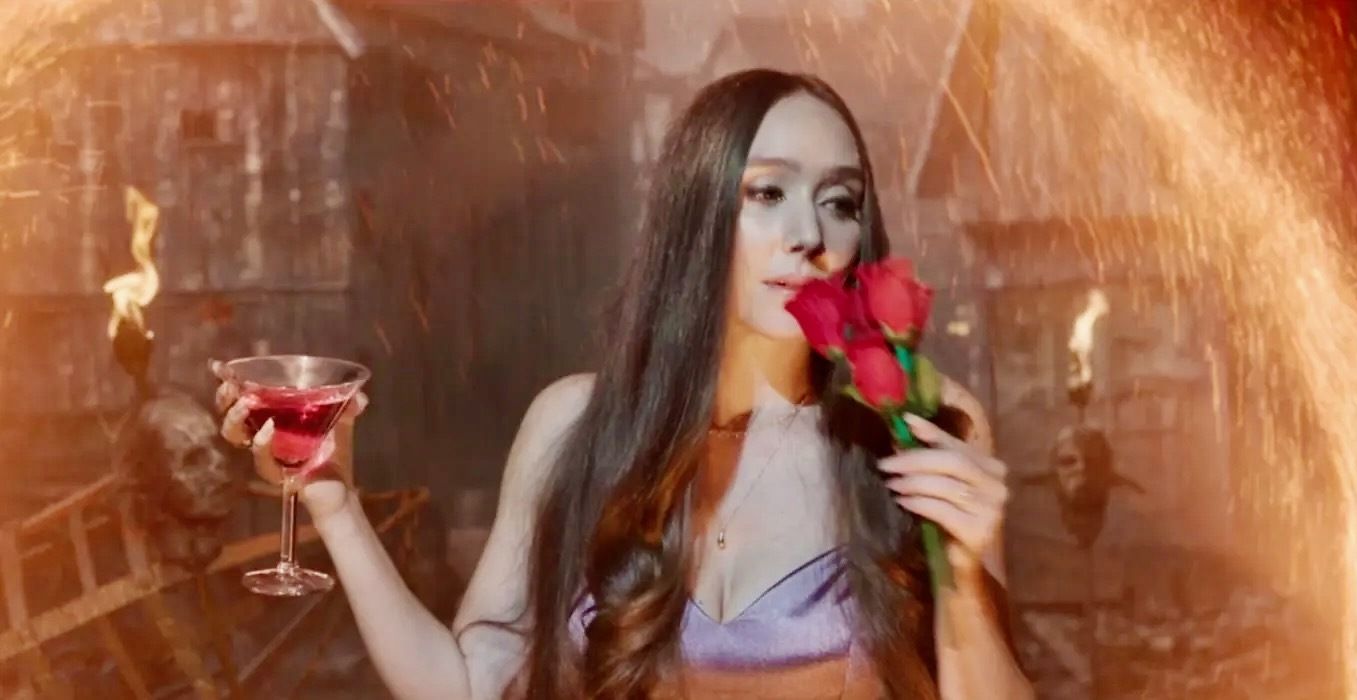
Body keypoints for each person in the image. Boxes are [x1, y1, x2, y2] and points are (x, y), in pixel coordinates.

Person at [215, 69, 1030, 699]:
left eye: (839, 202)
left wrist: (962, 576)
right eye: (768, 193)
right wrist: (335, 503)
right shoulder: (575, 427)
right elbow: (463, 688)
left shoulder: (918, 428)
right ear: (697, 210)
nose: (809, 232)